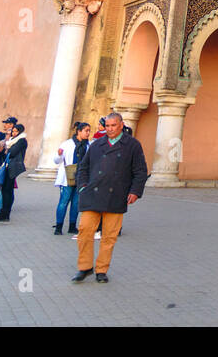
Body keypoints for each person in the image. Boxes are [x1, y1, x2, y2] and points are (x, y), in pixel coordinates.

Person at [72, 112, 148, 282]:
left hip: (116, 195)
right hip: (92, 194)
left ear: (121, 125)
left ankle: (101, 270)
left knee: (109, 236)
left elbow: (140, 171)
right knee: (84, 230)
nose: (110, 129)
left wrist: (135, 191)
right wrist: (82, 186)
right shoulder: (97, 144)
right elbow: (83, 167)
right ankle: (84, 267)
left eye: (113, 125)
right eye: (107, 126)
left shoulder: (132, 145)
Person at [53, 121, 91, 235]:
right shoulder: (67, 144)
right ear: (79, 131)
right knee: (63, 202)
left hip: (81, 177)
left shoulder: (88, 146)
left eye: (89, 131)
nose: (88, 133)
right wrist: (59, 154)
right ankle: (58, 227)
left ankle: (72, 226)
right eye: (86, 131)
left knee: (76, 203)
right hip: (67, 177)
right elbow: (56, 161)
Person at [0, 122, 28, 222]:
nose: (14, 133)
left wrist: (5, 150)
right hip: (8, 166)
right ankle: (4, 213)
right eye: (13, 131)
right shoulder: (11, 141)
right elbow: (6, 153)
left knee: (7, 190)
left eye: (16, 131)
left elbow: (12, 152)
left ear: (20, 132)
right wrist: (4, 150)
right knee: (5, 190)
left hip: (13, 167)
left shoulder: (21, 141)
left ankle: (5, 213)